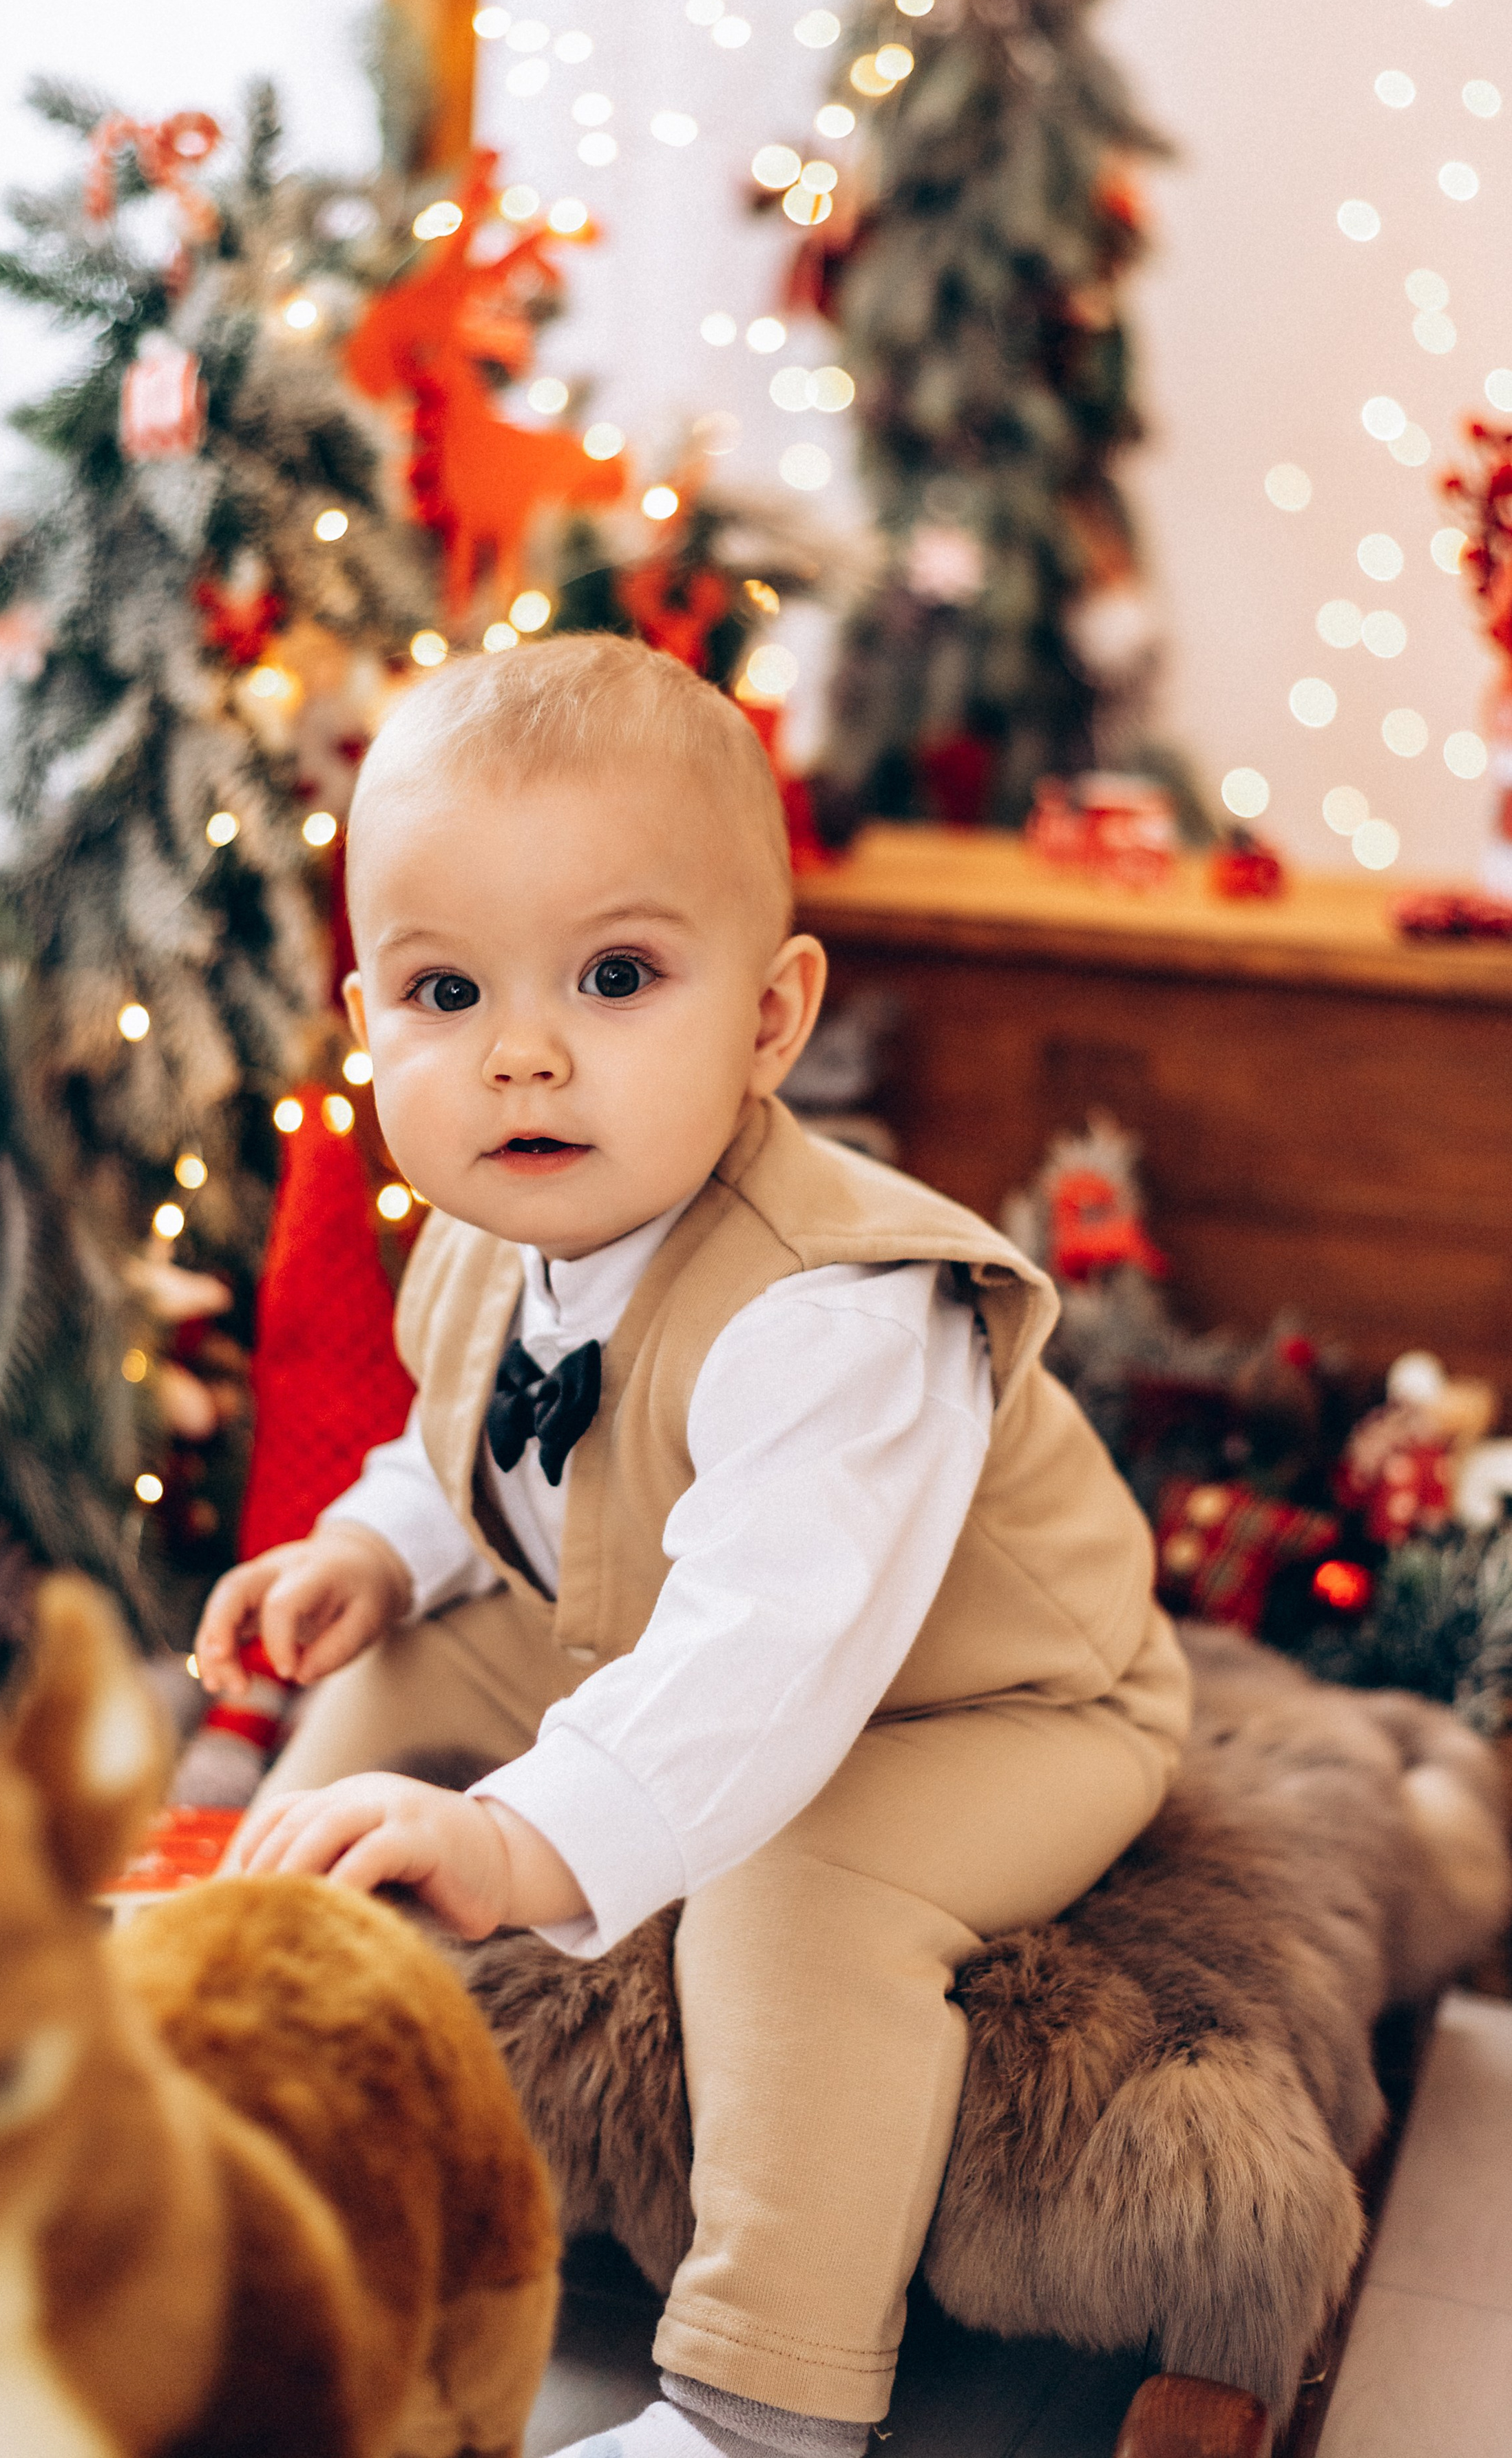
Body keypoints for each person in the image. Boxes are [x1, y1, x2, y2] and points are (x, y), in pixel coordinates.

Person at [198, 634, 1190, 2458]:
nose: (521, 1051)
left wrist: (518, 1838)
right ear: (366, 1031)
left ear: (771, 1016)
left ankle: (757, 2399)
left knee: (797, 1881)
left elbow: (767, 1660)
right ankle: (242, 2020)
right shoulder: (494, 1237)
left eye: (616, 974)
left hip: (974, 1704)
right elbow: (472, 1445)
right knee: (395, 1670)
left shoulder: (840, 1311)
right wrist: (379, 1551)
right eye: (443, 992)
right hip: (630, 1612)